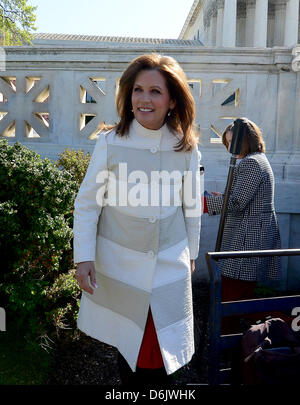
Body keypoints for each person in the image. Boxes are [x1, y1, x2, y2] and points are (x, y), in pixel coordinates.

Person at [73, 53, 202, 384]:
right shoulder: (110, 143)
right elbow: (88, 204)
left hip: (168, 271)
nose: (144, 99)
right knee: (130, 355)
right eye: (138, 90)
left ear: (172, 100)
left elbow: (191, 208)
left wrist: (191, 256)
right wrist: (83, 257)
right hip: (122, 271)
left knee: (164, 359)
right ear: (128, 95)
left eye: (155, 91)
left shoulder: (185, 148)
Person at [204, 118, 281, 304]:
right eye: (228, 142)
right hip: (253, 235)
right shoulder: (257, 159)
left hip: (248, 238)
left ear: (246, 140)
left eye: (234, 141)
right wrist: (221, 198)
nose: (230, 147)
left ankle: (229, 331)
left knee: (232, 294)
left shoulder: (251, 163)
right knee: (242, 295)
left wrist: (205, 204)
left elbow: (237, 202)